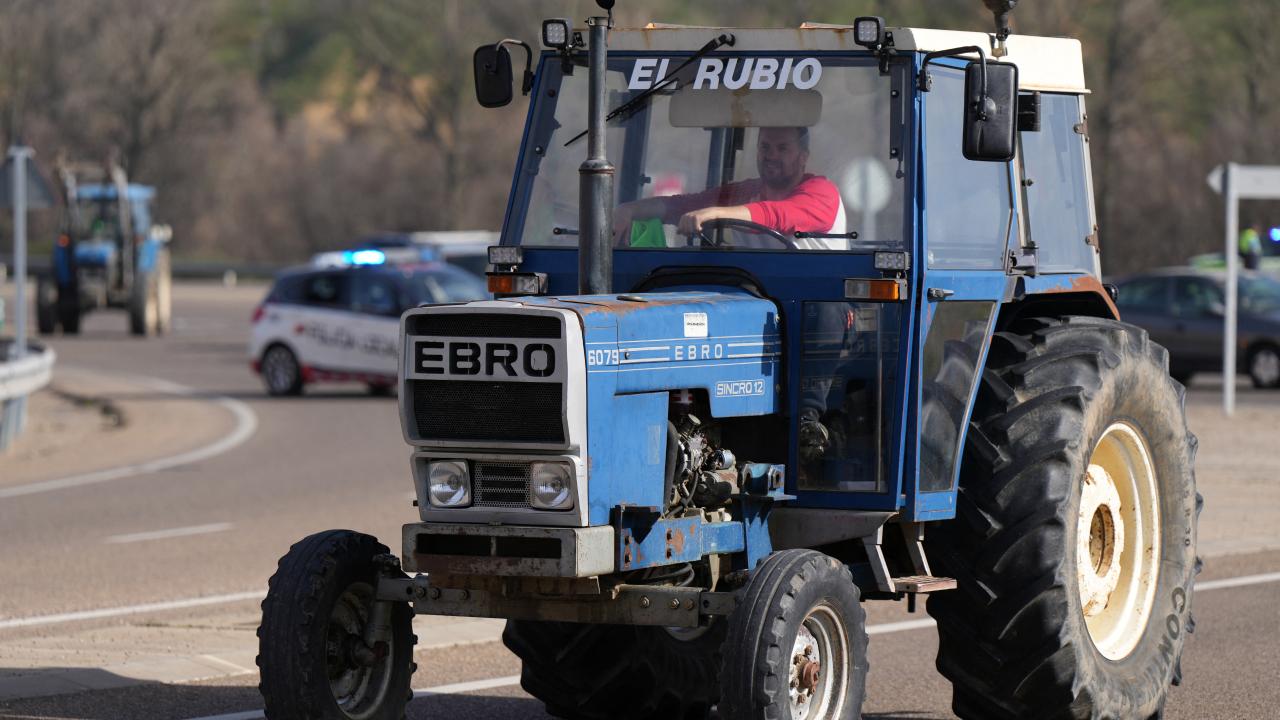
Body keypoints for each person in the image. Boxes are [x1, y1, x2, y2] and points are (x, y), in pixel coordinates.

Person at [612, 126, 848, 250]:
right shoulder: (744, 193)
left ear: (803, 157)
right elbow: (682, 205)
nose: (771, 155)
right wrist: (629, 209)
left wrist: (715, 212)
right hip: (754, 291)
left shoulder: (821, 192)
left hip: (814, 298)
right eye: (765, 147)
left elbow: (777, 215)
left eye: (783, 148)